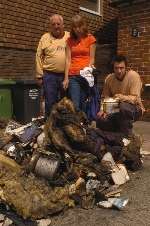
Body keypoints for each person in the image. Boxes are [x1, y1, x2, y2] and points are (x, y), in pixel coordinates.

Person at [96, 55, 145, 137]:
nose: (119, 71)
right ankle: (111, 137)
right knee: (100, 118)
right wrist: (103, 109)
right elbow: (105, 97)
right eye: (116, 68)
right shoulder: (109, 78)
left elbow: (135, 98)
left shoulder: (133, 76)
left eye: (121, 68)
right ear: (113, 68)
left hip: (135, 108)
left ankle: (127, 137)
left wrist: (121, 97)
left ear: (126, 68)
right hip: (116, 105)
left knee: (123, 107)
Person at [36, 14, 70, 118]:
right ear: (50, 26)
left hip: (66, 76)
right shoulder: (45, 37)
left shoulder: (69, 36)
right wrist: (39, 75)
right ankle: (49, 127)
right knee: (50, 103)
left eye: (58, 24)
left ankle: (63, 127)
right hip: (49, 75)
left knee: (65, 103)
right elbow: (38, 56)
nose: (56, 26)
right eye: (53, 24)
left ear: (63, 25)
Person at [63, 14, 96, 113]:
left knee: (85, 103)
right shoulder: (69, 41)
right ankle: (76, 126)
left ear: (83, 26)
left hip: (86, 76)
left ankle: (85, 126)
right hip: (73, 76)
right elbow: (68, 60)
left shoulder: (90, 39)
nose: (77, 29)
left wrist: (89, 68)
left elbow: (92, 58)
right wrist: (66, 78)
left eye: (79, 26)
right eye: (74, 27)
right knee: (75, 105)